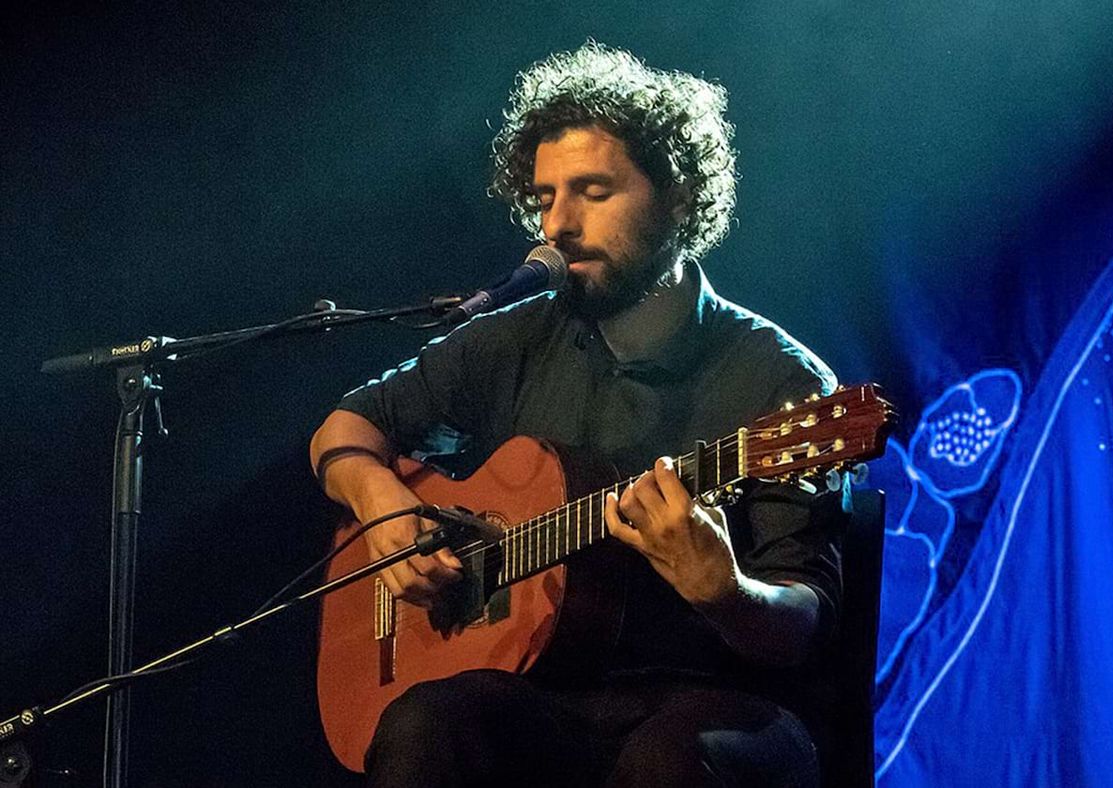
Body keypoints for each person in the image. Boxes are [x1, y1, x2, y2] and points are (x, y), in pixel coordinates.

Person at [310, 42, 846, 787]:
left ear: (680, 197)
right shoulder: (518, 336)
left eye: (592, 192)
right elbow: (345, 429)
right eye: (543, 198)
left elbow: (806, 621)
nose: (555, 225)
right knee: (427, 724)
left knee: (667, 767)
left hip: (721, 704)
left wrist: (728, 592)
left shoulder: (781, 383)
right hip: (542, 690)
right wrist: (383, 505)